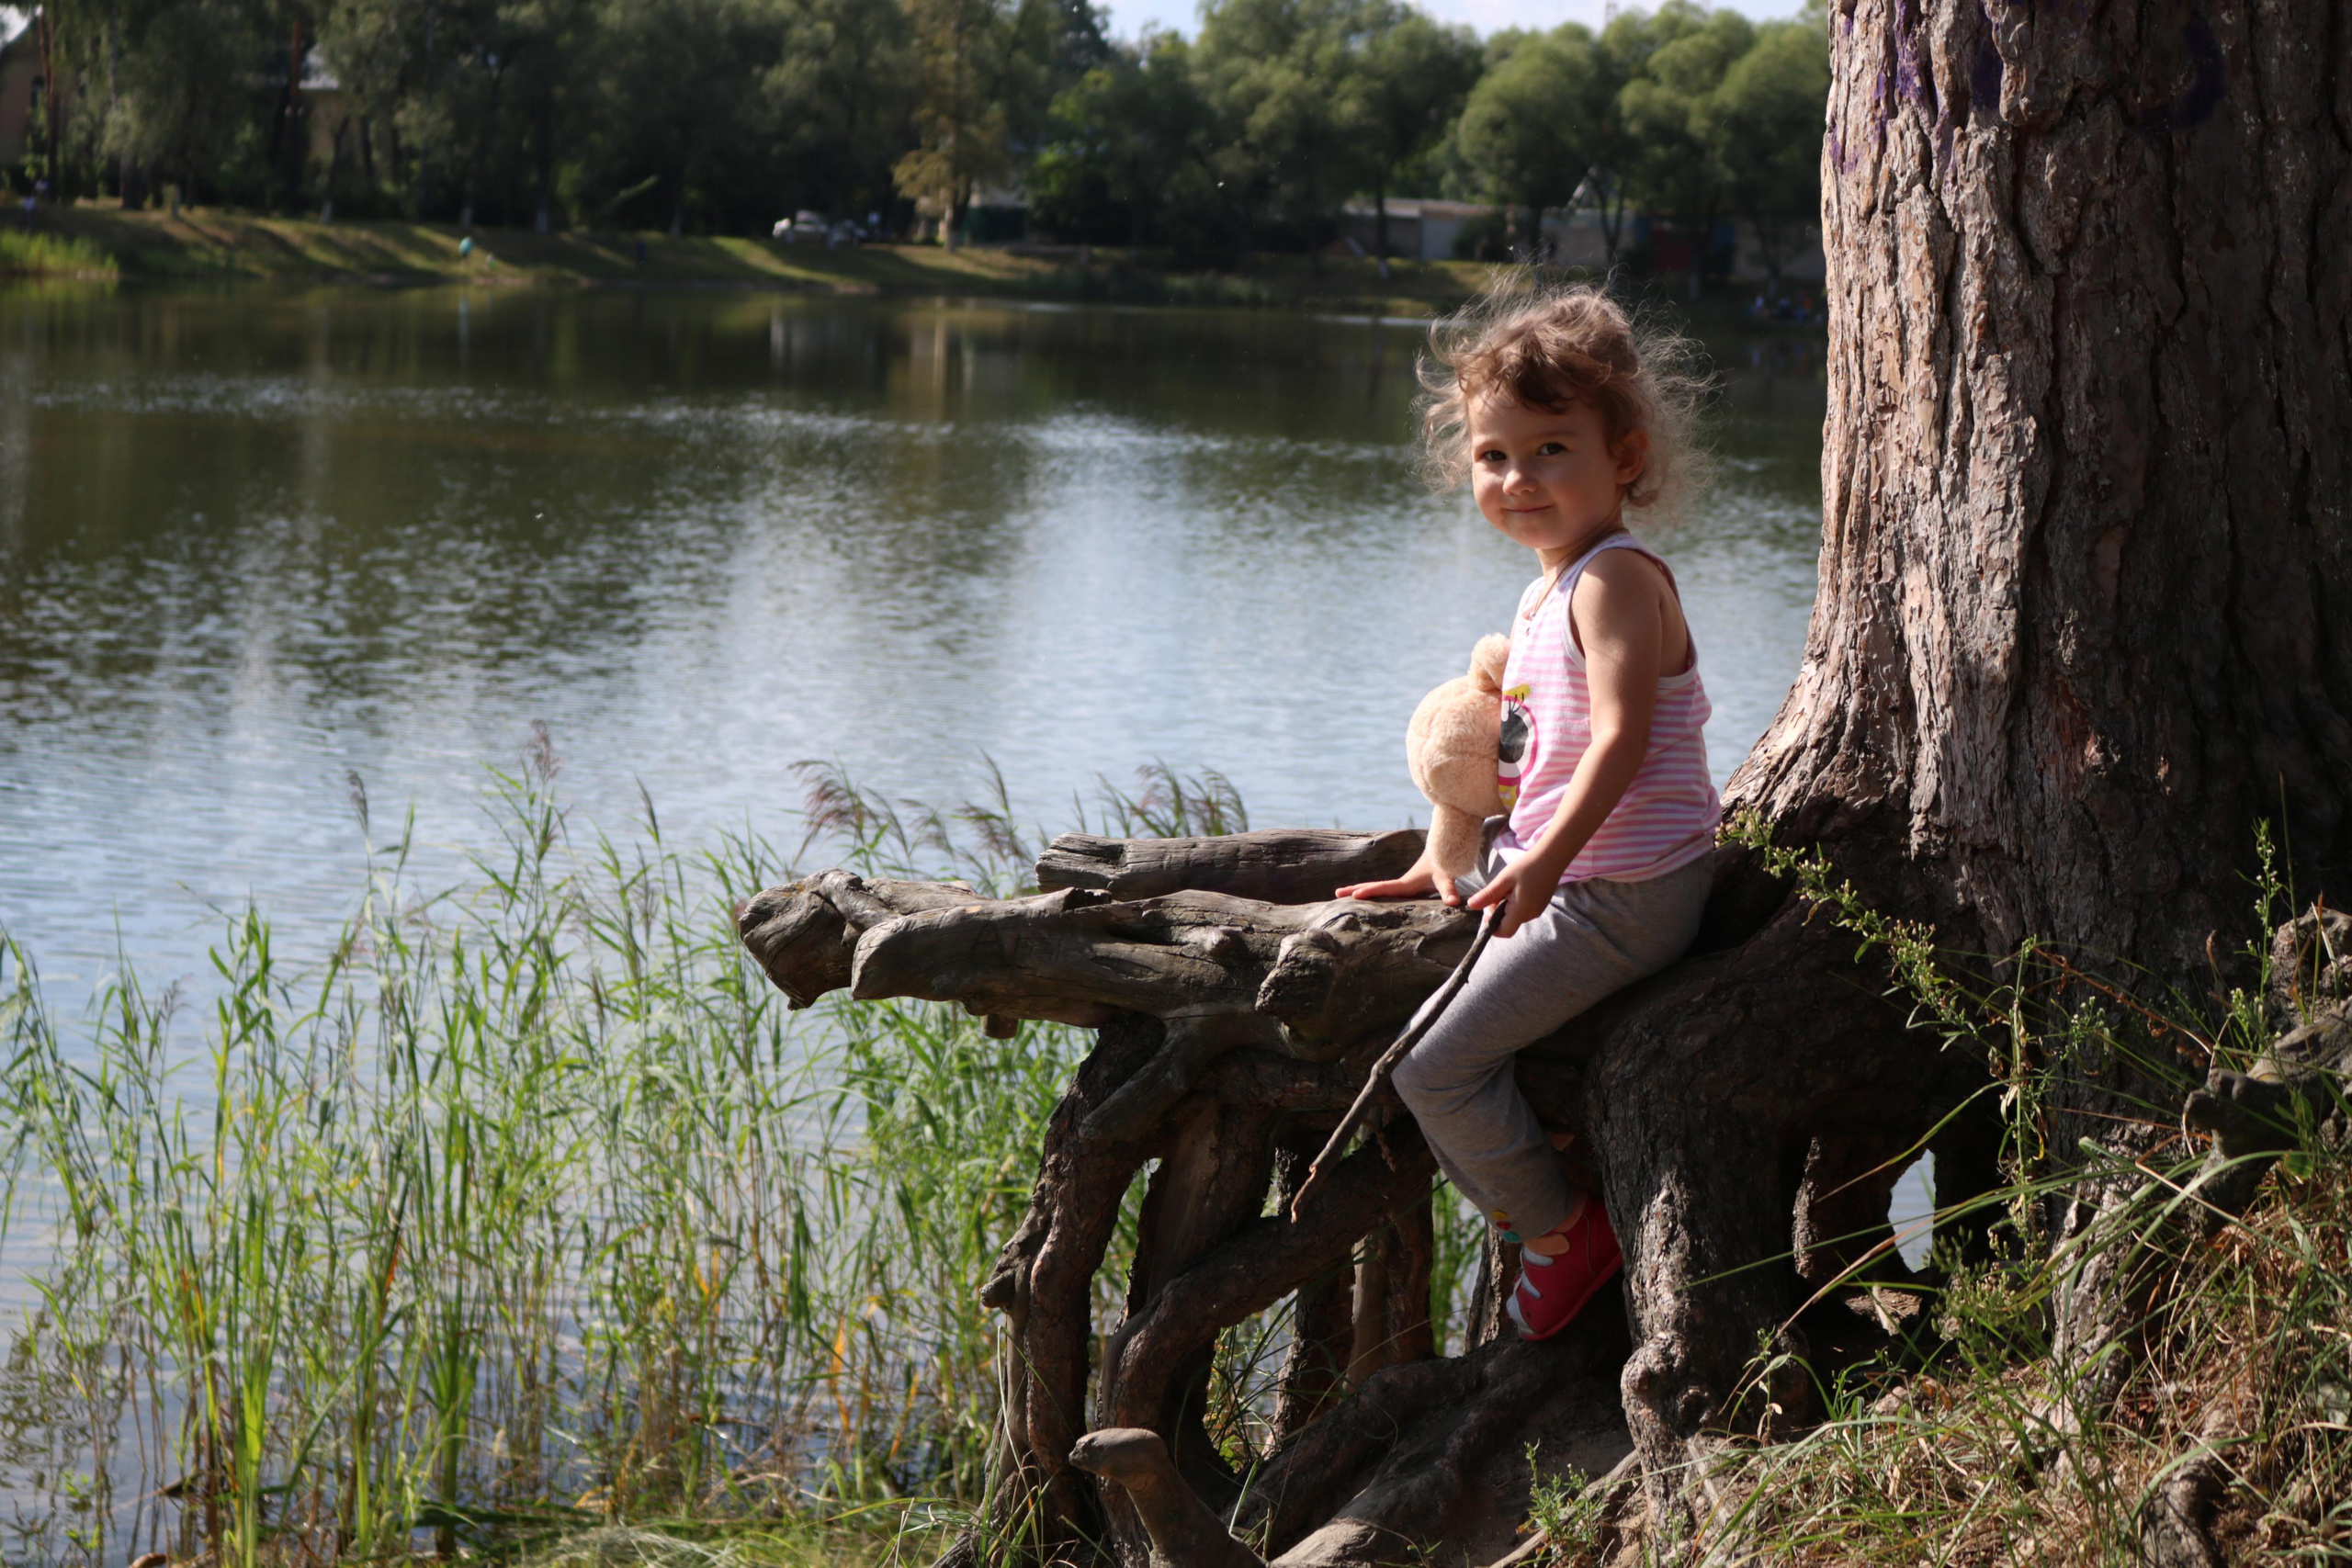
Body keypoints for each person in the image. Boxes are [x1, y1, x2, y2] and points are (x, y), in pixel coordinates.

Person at [1336, 283, 1718, 1342]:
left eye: (1551, 449)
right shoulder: (1548, 587)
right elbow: (1518, 757)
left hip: (1624, 894)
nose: (1518, 478)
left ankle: (1561, 1234)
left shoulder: (1614, 582)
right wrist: (1440, 854)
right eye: (1493, 455)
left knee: (1431, 1066)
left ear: (1625, 459)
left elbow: (1619, 739)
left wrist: (1545, 861)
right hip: (1579, 877)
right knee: (1431, 1046)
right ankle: (1545, 1191)